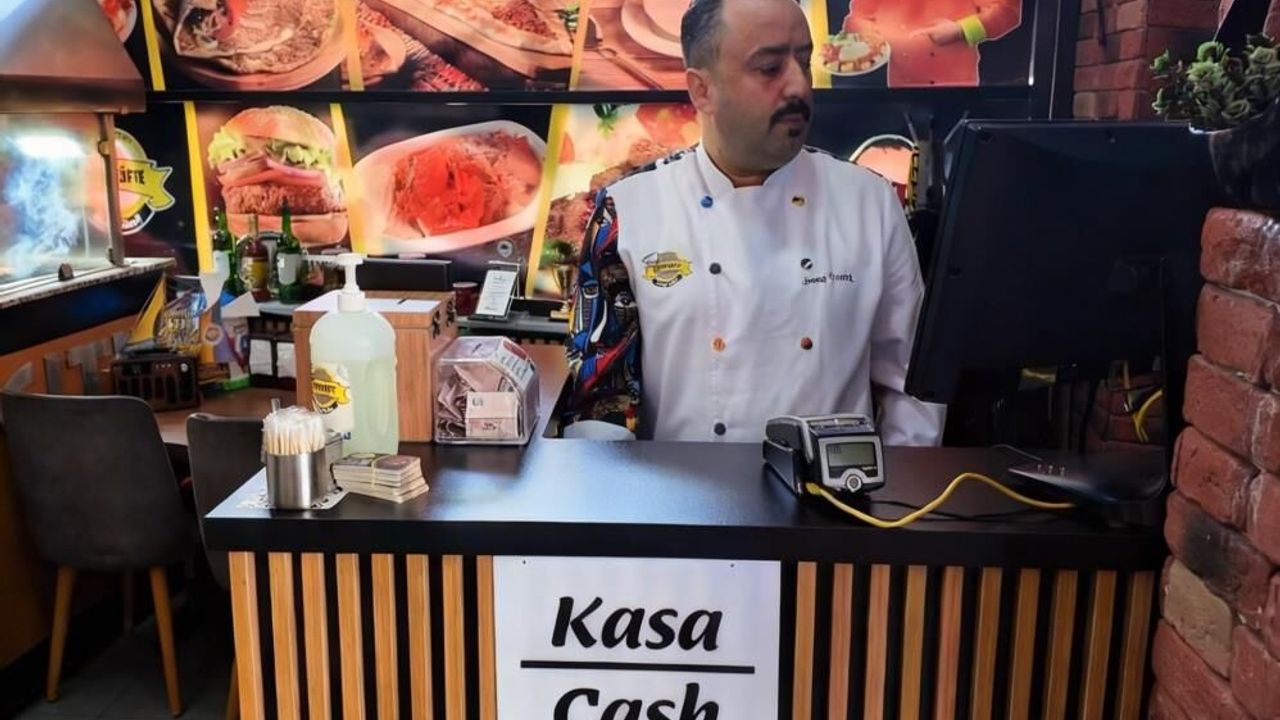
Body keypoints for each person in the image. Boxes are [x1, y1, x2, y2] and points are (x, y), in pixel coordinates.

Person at [560, 0, 945, 444]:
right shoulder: (628, 211)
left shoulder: (870, 203)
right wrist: (618, 487)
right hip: (679, 485)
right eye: (769, 68)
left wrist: (894, 483)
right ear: (702, 90)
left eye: (804, 61)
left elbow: (912, 387)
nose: (798, 85)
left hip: (835, 487)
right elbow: (600, 400)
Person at [841, 0, 1022, 87]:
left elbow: (1007, 12)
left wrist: (960, 30)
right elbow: (856, 19)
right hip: (900, 90)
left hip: (957, 88)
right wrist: (868, 34)